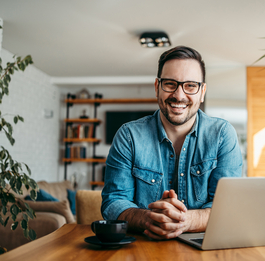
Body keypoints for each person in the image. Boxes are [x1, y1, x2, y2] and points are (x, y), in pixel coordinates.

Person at [101, 46, 242, 240]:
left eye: (191, 85)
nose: (179, 95)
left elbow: (228, 208)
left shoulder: (223, 135)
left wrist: (185, 221)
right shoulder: (128, 136)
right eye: (170, 84)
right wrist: (149, 218)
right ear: (157, 87)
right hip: (141, 249)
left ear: (202, 92)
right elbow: (113, 203)